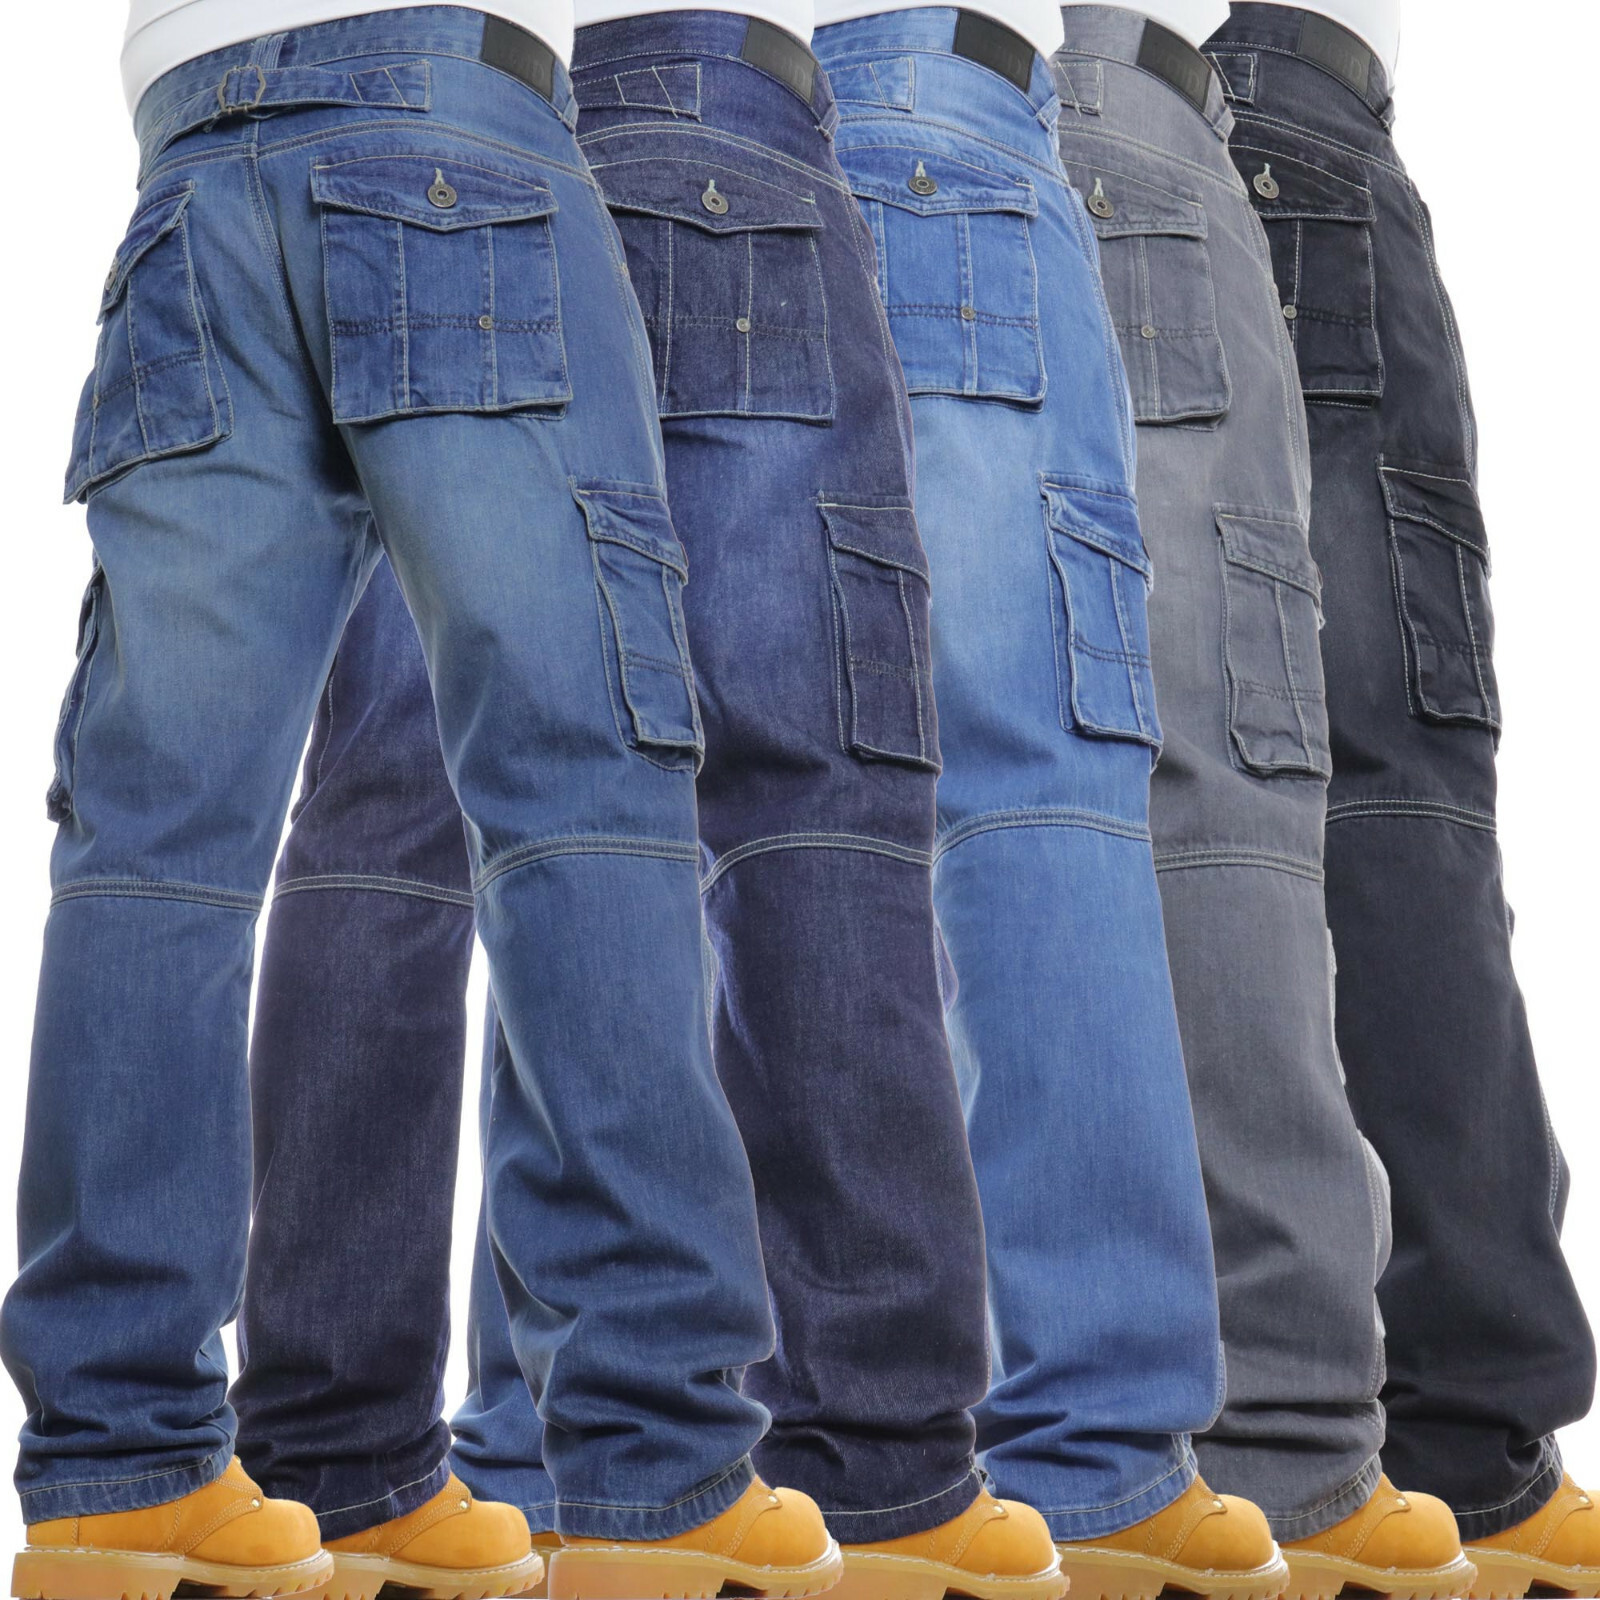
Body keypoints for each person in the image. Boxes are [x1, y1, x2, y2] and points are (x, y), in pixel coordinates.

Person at [3, 6, 836, 1599]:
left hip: (190, 155)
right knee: (583, 787)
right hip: (452, 143)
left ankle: (121, 1460)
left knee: (154, 835)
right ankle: (656, 1457)